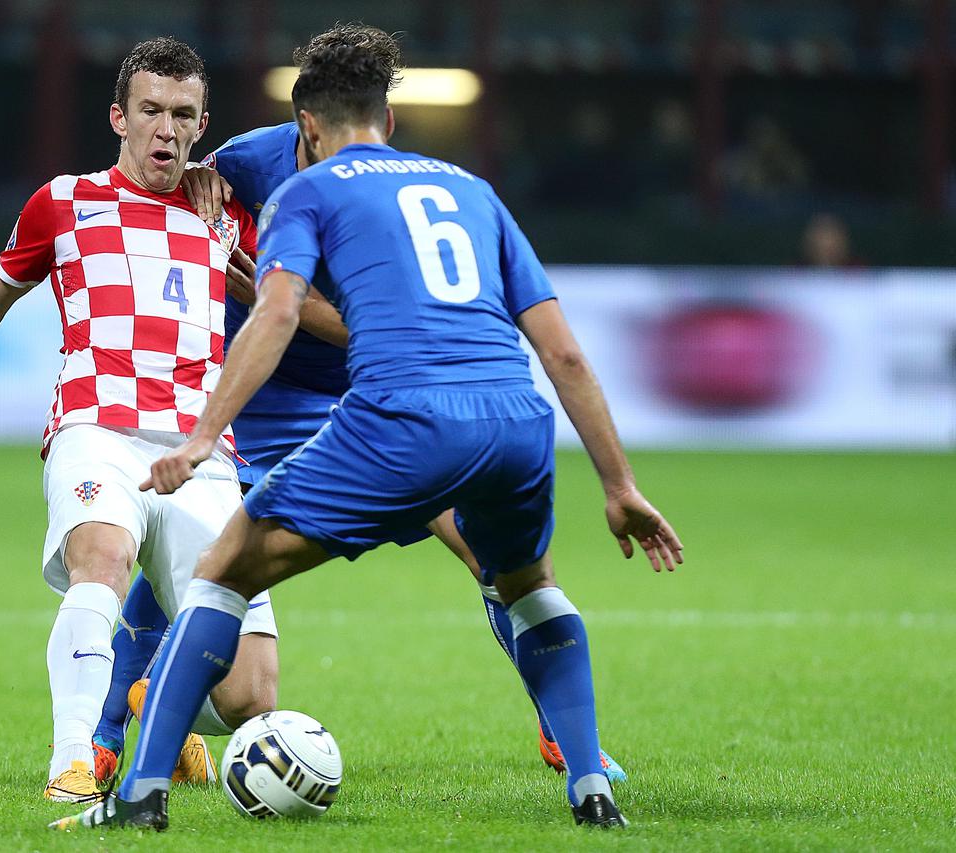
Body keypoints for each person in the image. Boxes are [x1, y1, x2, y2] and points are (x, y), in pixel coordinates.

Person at [57, 42, 683, 832]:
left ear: (310, 124)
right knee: (215, 535)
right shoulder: (460, 188)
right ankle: (112, 730)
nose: (171, 128)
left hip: (377, 399)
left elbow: (284, 305)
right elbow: (559, 349)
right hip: (314, 394)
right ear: (382, 119)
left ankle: (138, 786)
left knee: (229, 566)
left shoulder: (313, 186)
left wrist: (200, 431)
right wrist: (619, 484)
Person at [0, 37, 279, 805]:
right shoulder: (64, 202)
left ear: (202, 126)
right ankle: (71, 764)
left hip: (201, 449)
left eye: (182, 115)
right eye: (150, 112)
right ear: (119, 117)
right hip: (98, 427)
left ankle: (152, 694)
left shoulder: (228, 210)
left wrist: (249, 253)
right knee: (101, 560)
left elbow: (291, 291)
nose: (165, 130)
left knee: (251, 698)